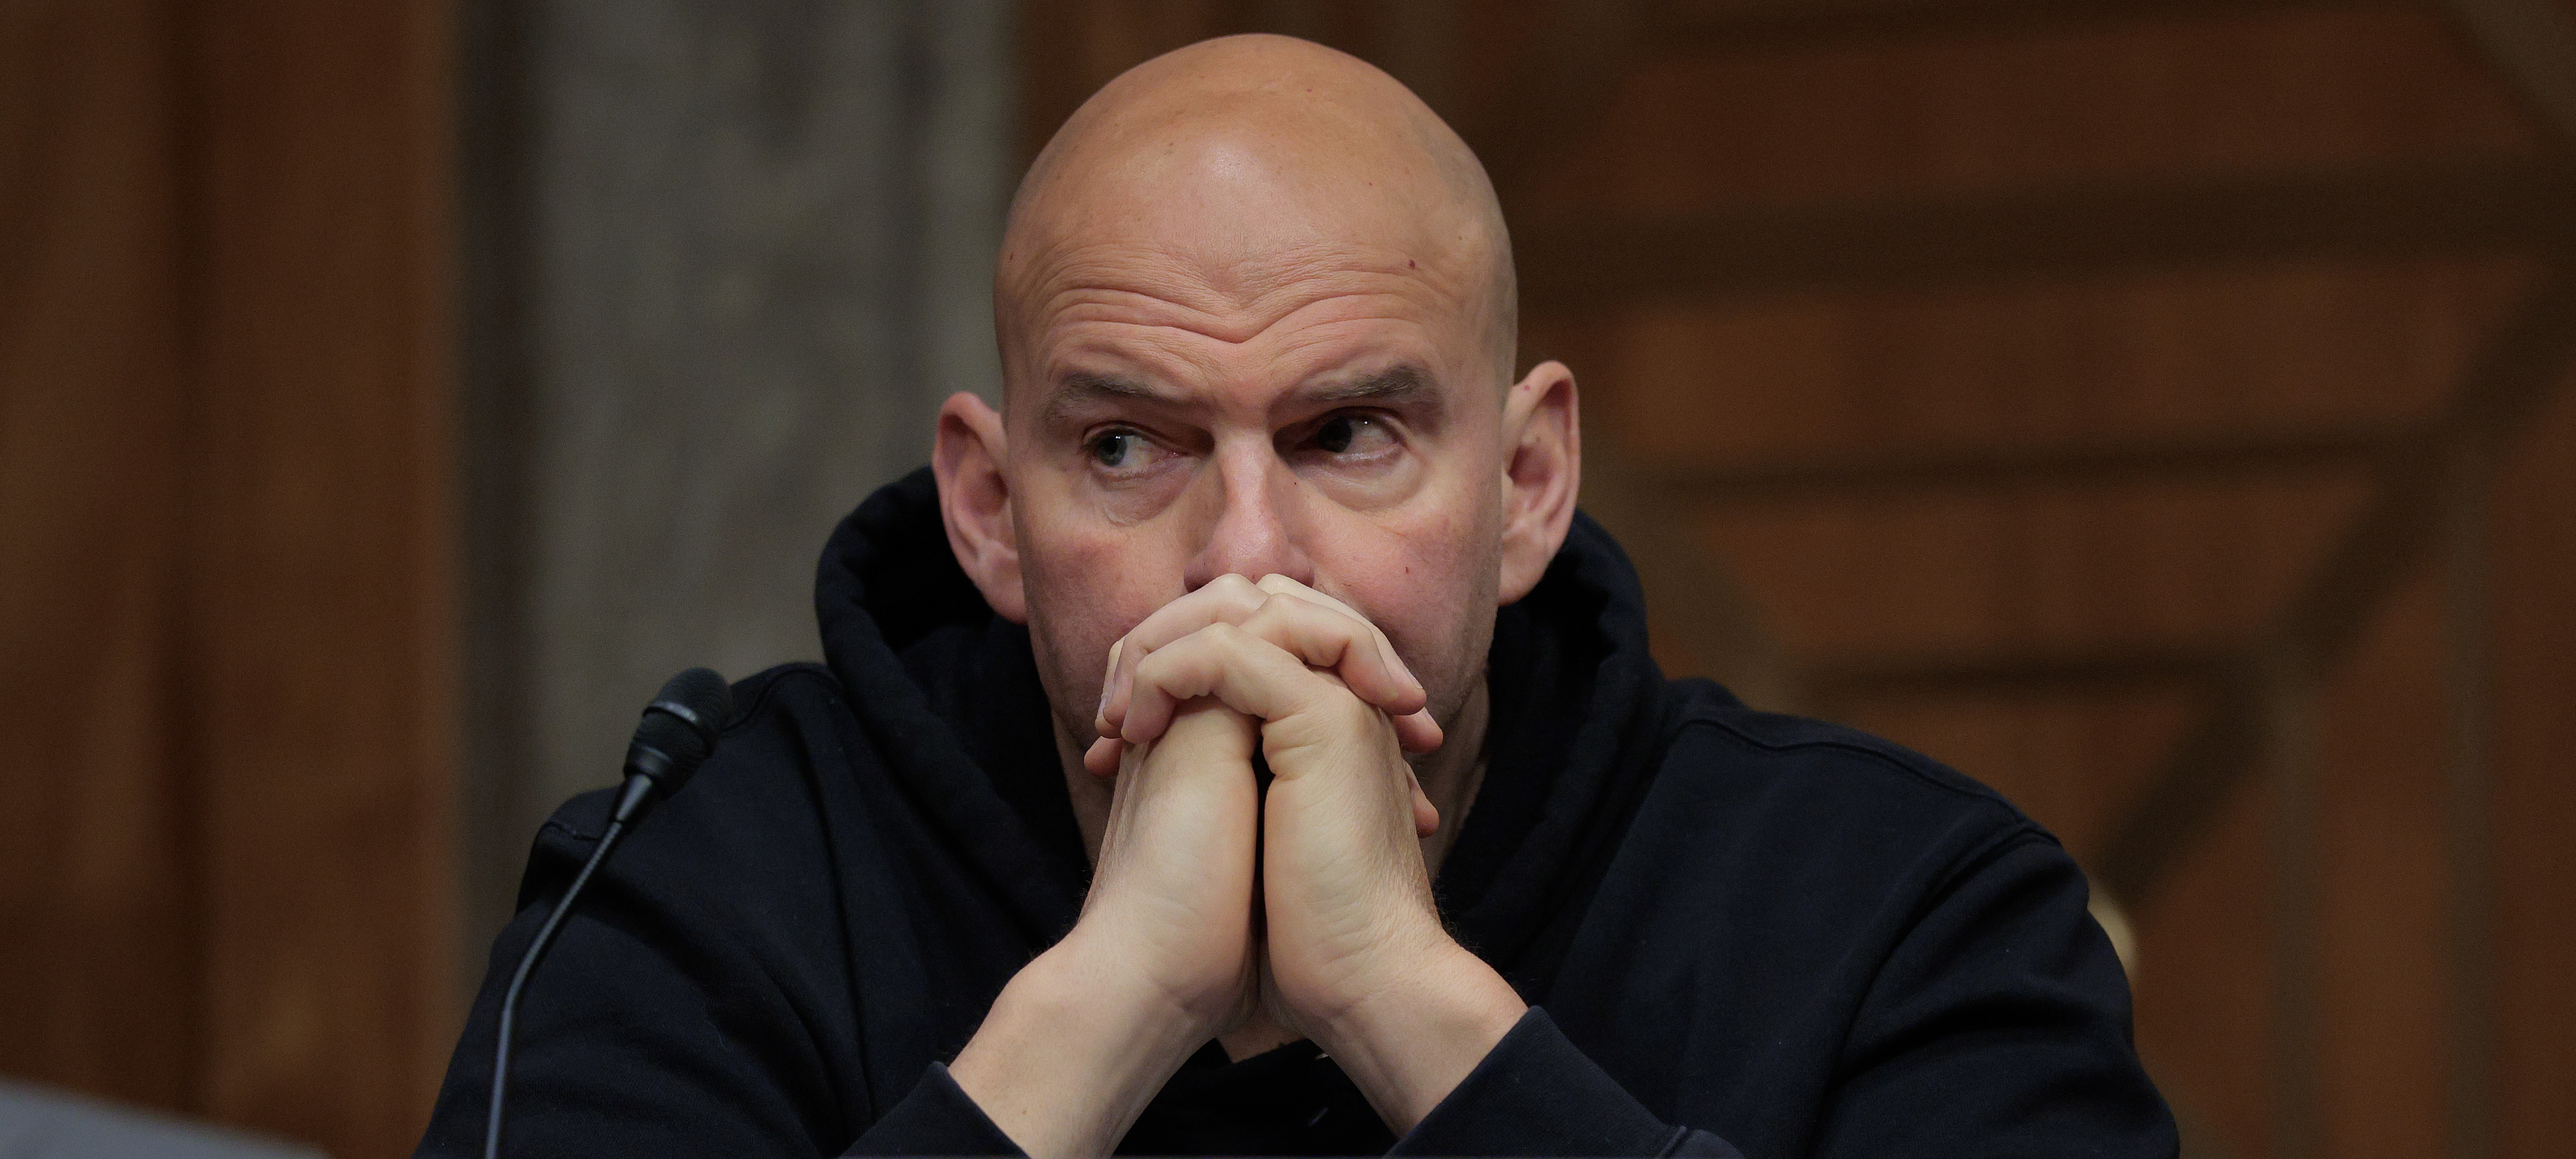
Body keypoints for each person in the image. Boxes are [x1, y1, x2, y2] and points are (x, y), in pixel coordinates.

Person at [417, 34, 2175, 1159]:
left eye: (1347, 433)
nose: (1245, 557)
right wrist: (1101, 1011)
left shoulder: (1902, 916)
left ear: (1528, 484)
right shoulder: (701, 881)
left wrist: (1407, 1001)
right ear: (987, 508)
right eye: (1126, 446)